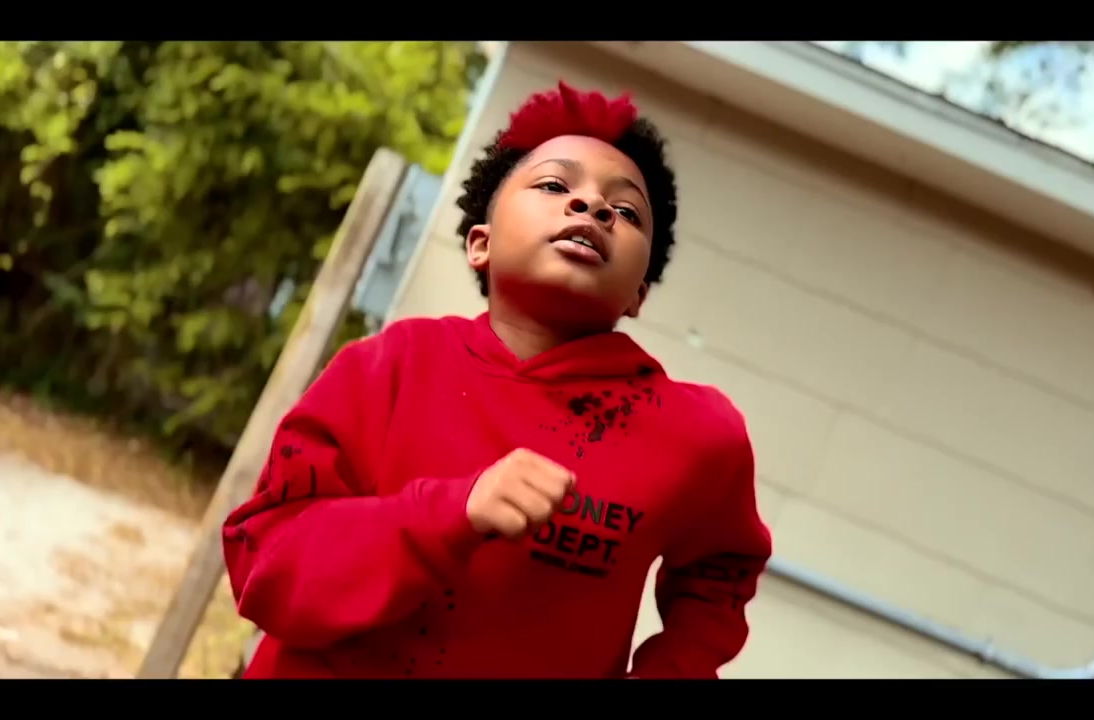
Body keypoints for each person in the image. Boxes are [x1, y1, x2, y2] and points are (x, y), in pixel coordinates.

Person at [222, 81, 773, 679]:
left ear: (639, 293)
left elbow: (721, 575)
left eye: (627, 211)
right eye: (555, 185)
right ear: (480, 244)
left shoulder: (698, 437)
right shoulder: (389, 367)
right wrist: (453, 511)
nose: (594, 206)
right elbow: (267, 565)